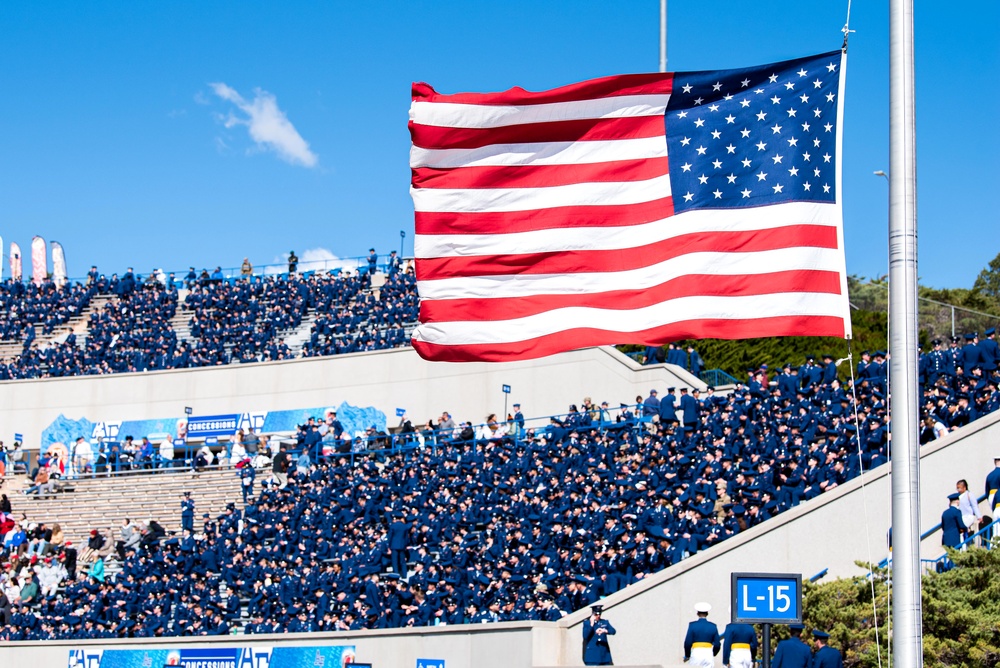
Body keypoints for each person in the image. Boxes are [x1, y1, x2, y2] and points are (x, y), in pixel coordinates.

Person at [683, 602, 720, 667]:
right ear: (707, 613)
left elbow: (687, 643)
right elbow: (717, 644)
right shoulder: (713, 626)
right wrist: (713, 653)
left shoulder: (692, 625)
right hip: (708, 653)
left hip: (696, 652)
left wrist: (688, 655)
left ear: (697, 613)